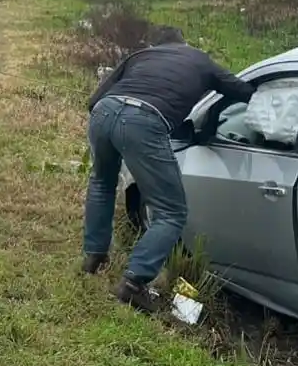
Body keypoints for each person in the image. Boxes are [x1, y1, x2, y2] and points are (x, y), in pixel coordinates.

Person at [82, 26, 256, 312]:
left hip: (104, 112)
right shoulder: (200, 60)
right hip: (144, 119)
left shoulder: (140, 56)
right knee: (171, 211)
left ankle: (93, 256)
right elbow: (242, 90)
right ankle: (134, 282)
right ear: (183, 44)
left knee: (102, 183)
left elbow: (94, 99)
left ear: (156, 45)